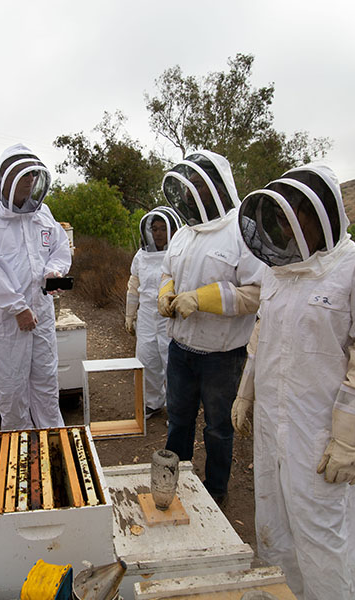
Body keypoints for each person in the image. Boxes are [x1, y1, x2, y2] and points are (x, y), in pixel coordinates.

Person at [232, 164, 355, 599]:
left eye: (302, 218)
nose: (293, 228)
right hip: (272, 428)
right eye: (286, 219)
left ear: (323, 214)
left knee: (325, 541)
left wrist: (349, 442)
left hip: (320, 440)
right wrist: (245, 391)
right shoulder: (277, 270)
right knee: (274, 529)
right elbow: (260, 334)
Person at [157, 150, 266, 506]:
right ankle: (175, 484)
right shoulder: (183, 234)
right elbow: (168, 271)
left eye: (199, 186)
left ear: (217, 186)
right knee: (178, 422)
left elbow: (257, 294)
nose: (191, 195)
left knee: (218, 429)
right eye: (189, 188)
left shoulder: (243, 232)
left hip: (223, 355)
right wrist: (166, 291)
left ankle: (216, 491)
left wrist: (203, 299)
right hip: (181, 350)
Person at [0, 143, 72, 430]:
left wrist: (54, 272)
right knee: (12, 389)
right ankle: (19, 450)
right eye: (24, 176)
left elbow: (60, 249)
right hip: (7, 320)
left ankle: (52, 441)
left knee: (47, 383)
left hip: (42, 314)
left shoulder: (43, 212)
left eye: (33, 176)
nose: (30, 181)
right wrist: (17, 307)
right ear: (5, 178)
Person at [125, 206, 183, 419]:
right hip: (147, 315)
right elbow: (134, 285)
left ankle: (175, 409)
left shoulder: (178, 254)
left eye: (162, 229)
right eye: (154, 229)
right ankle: (152, 402)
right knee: (146, 359)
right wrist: (129, 315)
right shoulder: (141, 256)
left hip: (170, 315)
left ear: (171, 231)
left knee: (172, 362)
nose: (158, 233)